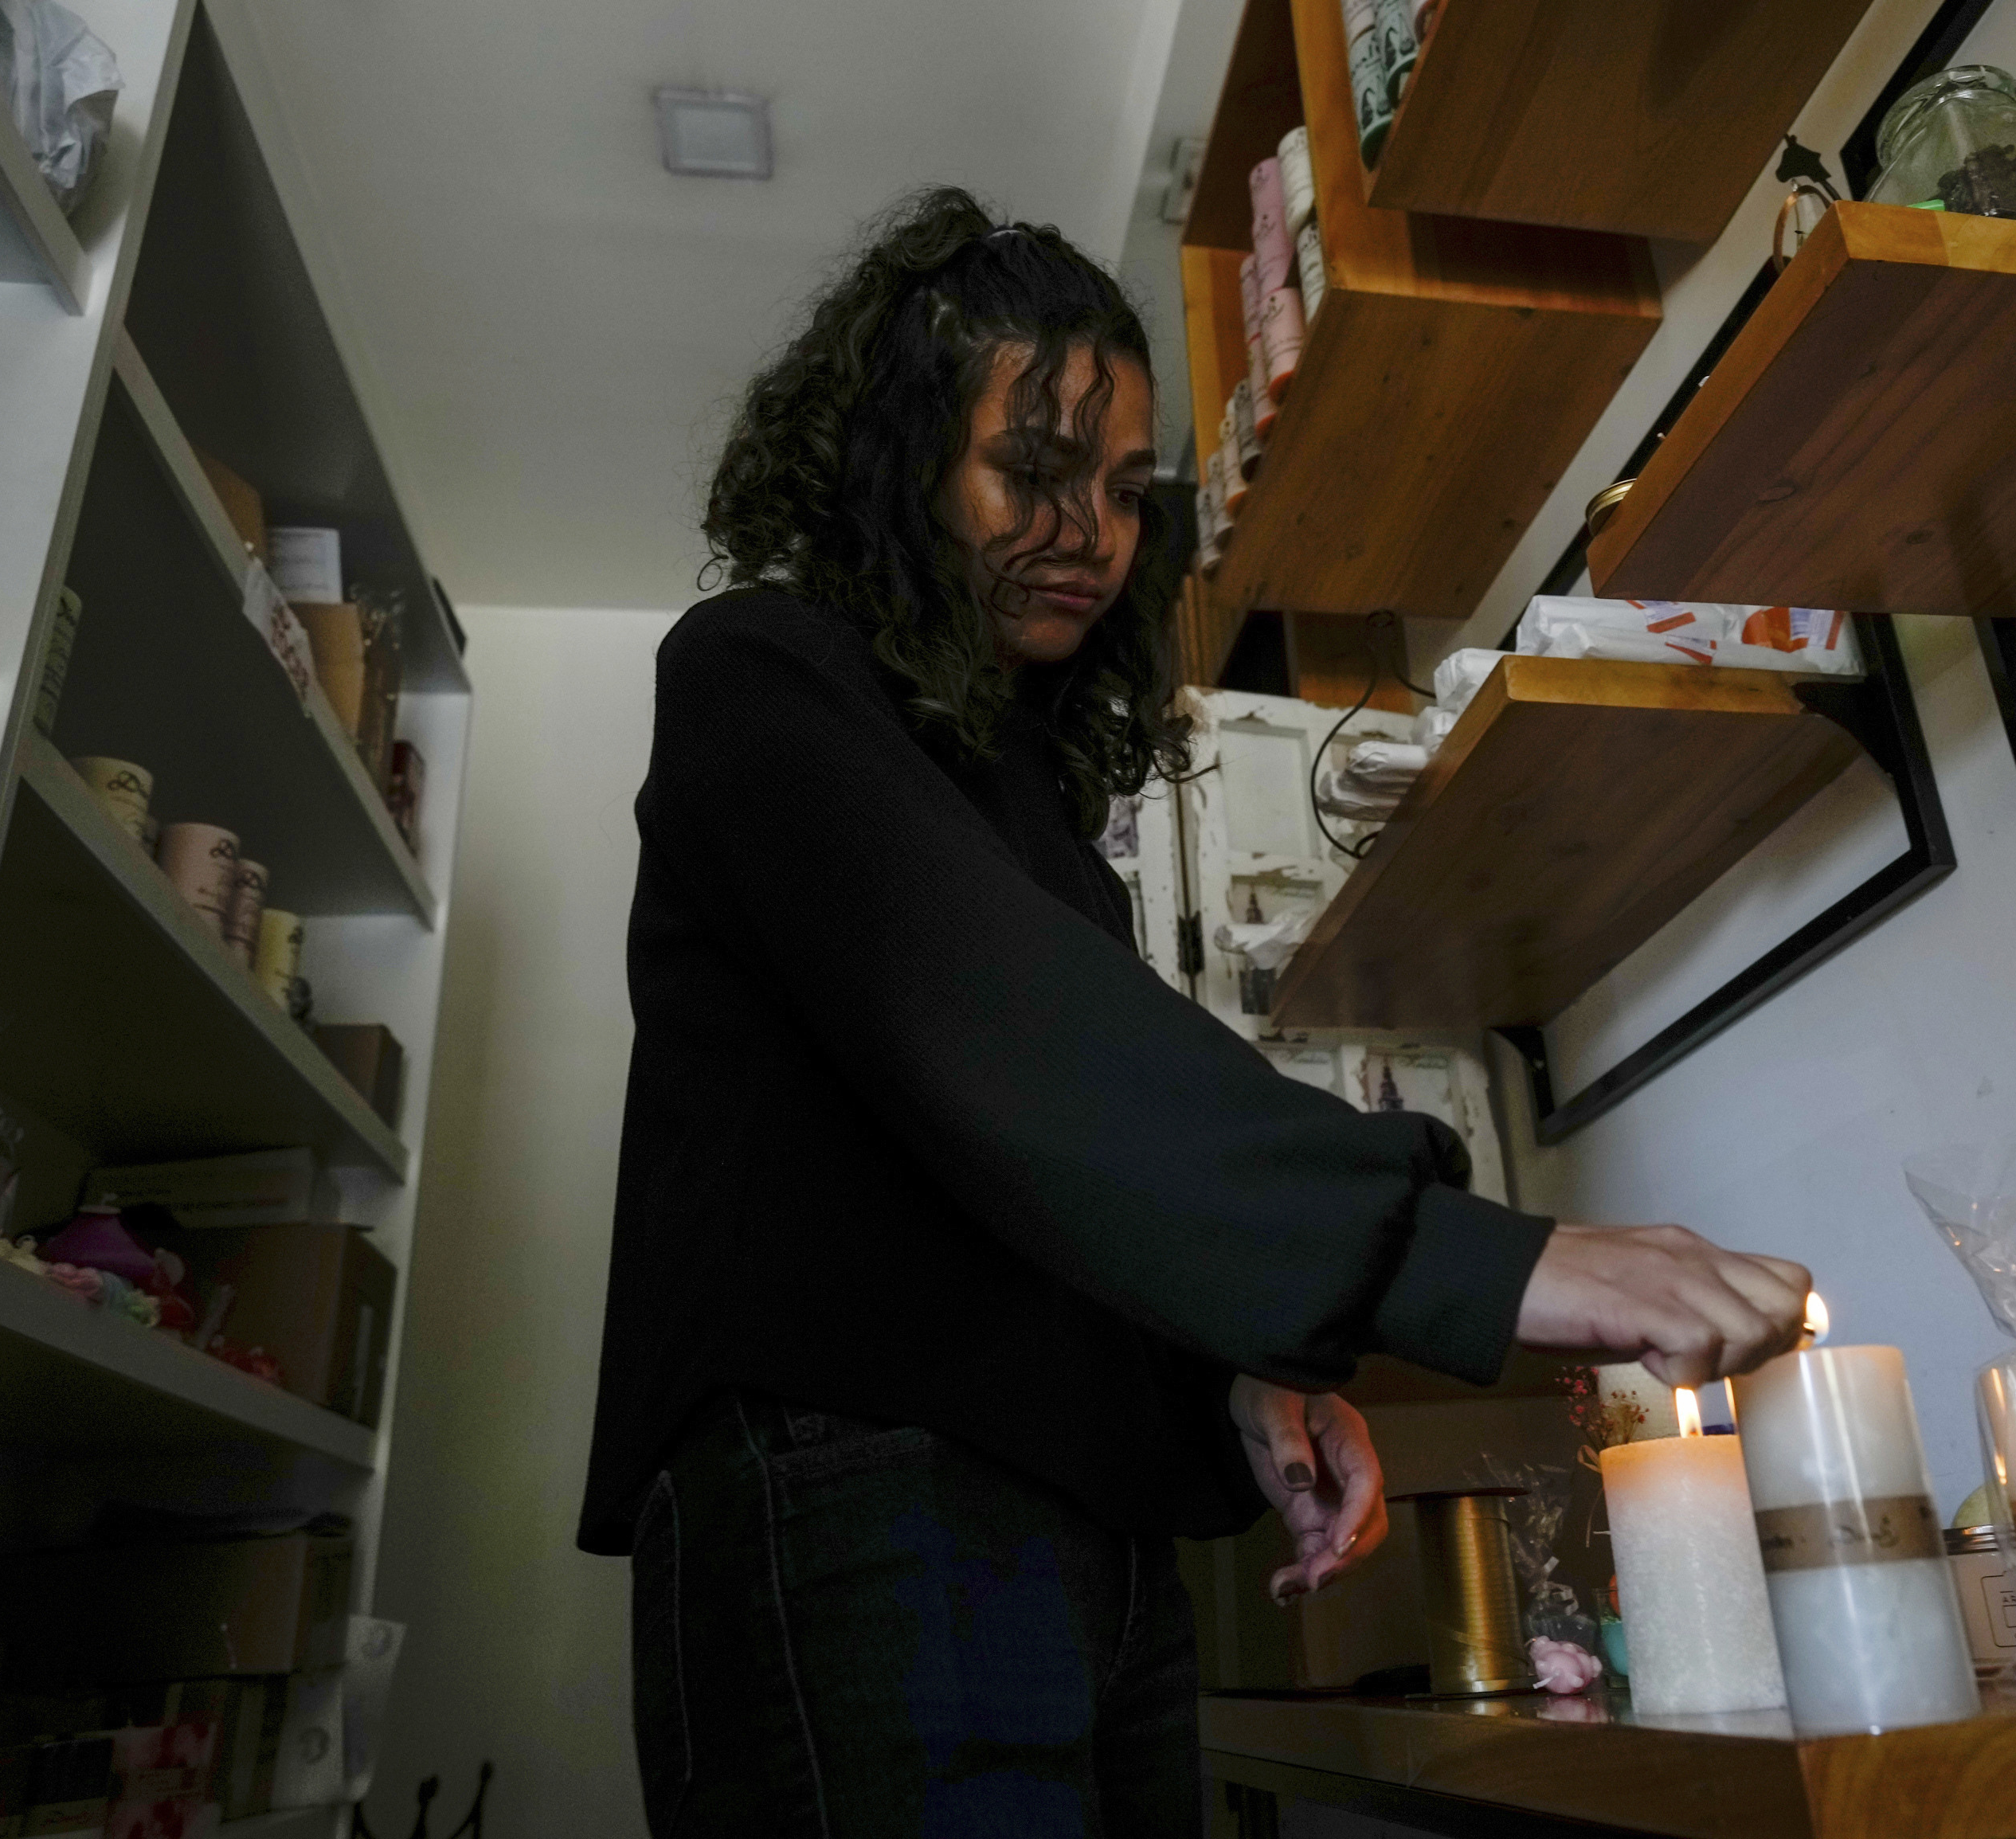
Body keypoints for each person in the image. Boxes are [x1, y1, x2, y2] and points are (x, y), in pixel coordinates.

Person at [578, 187, 1811, 1838]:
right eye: (1033, 469)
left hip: (1094, 1539)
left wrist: (1239, 1374)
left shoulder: (1028, 805)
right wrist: (1475, 1257)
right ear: (896, 461)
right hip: (865, 1503)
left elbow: (1048, 1169)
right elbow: (1003, 1035)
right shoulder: (756, 671)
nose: (1090, 531)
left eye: (1123, 491)